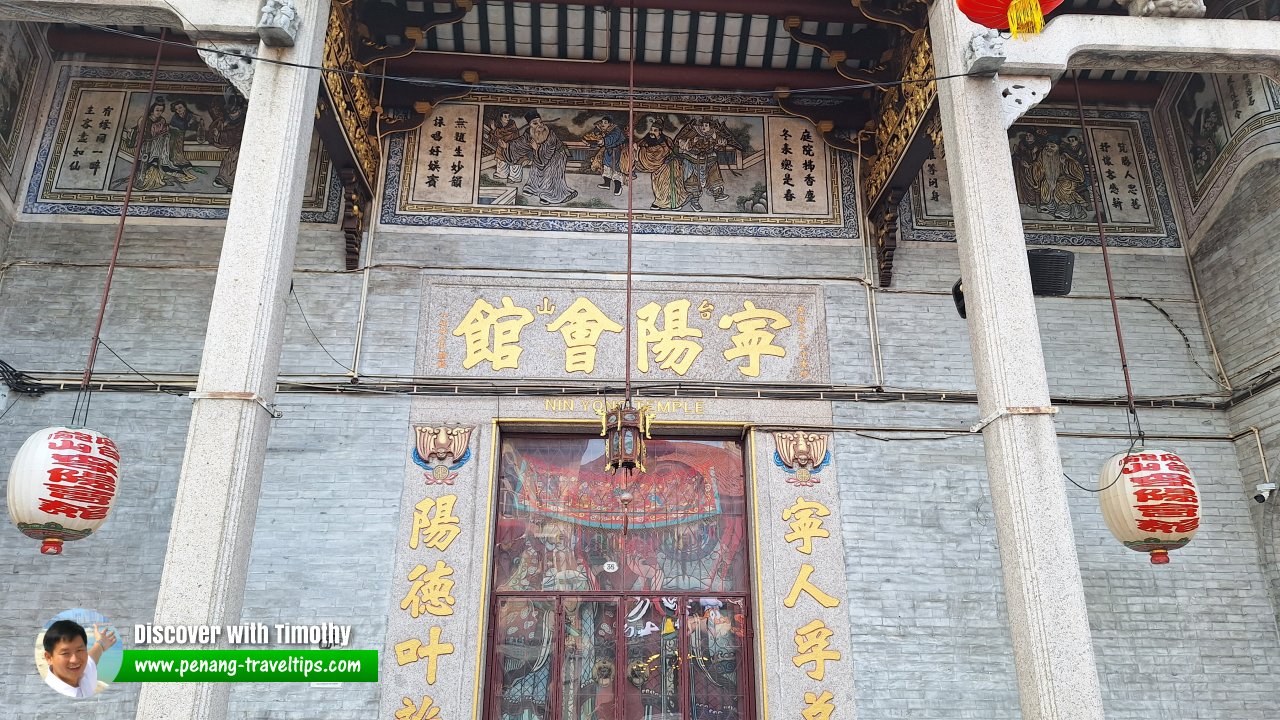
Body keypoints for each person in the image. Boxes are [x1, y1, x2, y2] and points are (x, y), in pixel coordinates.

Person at [507, 110, 577, 205]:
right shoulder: (529, 133)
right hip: (541, 155)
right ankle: (532, 187)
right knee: (535, 167)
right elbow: (520, 143)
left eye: (541, 122)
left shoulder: (549, 134)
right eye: (535, 123)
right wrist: (507, 146)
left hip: (557, 154)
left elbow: (548, 151)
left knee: (549, 169)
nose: (540, 125)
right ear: (530, 125)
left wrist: (536, 149)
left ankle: (549, 194)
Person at [42, 619, 116, 699]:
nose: (75, 660)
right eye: (65, 653)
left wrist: (101, 643)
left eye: (79, 650)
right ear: (49, 658)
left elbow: (92, 657)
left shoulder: (83, 673)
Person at [673, 117, 735, 211]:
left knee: (714, 175)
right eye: (702, 125)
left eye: (706, 125)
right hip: (693, 158)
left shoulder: (714, 134)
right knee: (692, 180)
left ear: (710, 126)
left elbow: (719, 146)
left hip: (709, 158)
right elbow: (681, 143)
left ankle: (717, 193)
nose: (703, 127)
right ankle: (694, 201)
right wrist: (692, 141)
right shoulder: (694, 131)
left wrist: (720, 144)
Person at [633, 120, 689, 210]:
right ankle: (660, 201)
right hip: (657, 168)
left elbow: (663, 151)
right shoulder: (647, 140)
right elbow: (641, 146)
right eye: (651, 130)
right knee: (657, 185)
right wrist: (638, 149)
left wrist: (642, 150)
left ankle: (674, 204)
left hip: (669, 166)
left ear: (659, 132)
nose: (652, 132)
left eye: (655, 130)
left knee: (668, 185)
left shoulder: (666, 140)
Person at [589, 114, 628, 196]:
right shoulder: (606, 131)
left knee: (616, 170)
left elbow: (612, 138)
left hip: (616, 152)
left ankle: (618, 187)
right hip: (608, 152)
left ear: (610, 123)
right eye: (602, 122)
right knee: (606, 167)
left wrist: (603, 141)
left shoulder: (616, 130)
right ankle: (607, 184)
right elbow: (600, 140)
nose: (603, 124)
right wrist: (592, 144)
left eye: (605, 122)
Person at [487, 111, 523, 183]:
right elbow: (493, 137)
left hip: (513, 146)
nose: (507, 118)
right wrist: (494, 132)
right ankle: (502, 174)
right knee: (500, 157)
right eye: (505, 116)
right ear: (501, 118)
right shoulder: (498, 125)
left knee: (514, 159)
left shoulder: (512, 125)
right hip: (502, 146)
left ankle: (514, 177)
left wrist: (495, 130)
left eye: (508, 116)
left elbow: (505, 132)